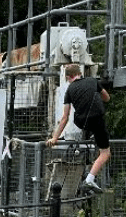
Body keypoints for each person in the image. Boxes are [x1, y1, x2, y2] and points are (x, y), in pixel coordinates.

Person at [45, 64, 111, 194]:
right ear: (79, 73)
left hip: (81, 122)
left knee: (96, 138)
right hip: (97, 119)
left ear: (69, 77)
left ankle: (92, 142)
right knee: (106, 153)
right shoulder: (93, 81)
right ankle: (89, 180)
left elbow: (65, 117)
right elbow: (107, 98)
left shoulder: (69, 90)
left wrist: (55, 137)